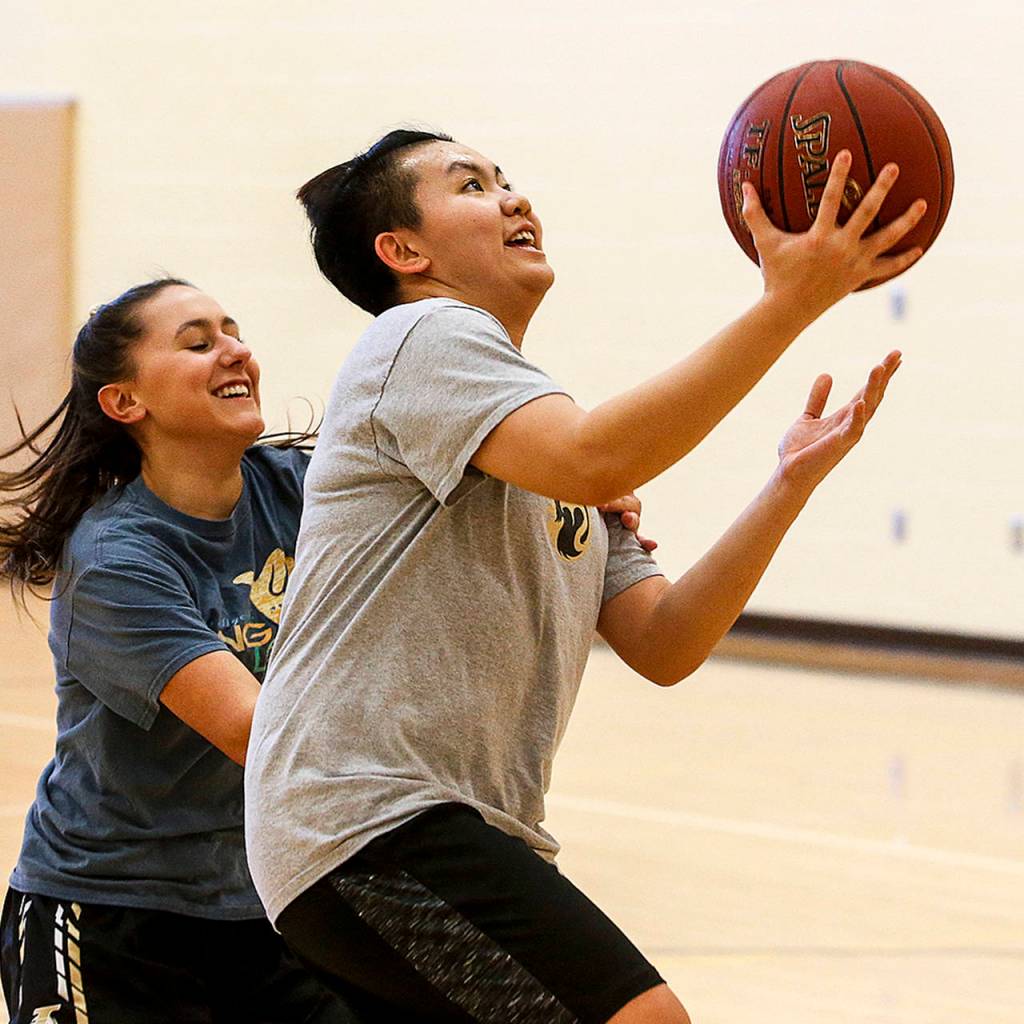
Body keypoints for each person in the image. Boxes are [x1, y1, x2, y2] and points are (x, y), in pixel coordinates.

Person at [243, 129, 925, 1024]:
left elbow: (665, 640)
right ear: (403, 252)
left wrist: (787, 482)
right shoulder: (419, 338)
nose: (514, 198)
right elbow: (598, 456)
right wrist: (789, 305)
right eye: (473, 185)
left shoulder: (534, 435)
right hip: (365, 823)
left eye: (508, 179)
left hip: (447, 832)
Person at [0, 279, 365, 1023]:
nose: (235, 350)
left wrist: (574, 508)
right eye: (198, 342)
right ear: (126, 402)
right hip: (110, 917)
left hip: (269, 902)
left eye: (233, 331)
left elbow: (466, 499)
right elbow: (255, 732)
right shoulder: (116, 560)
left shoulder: (303, 492)